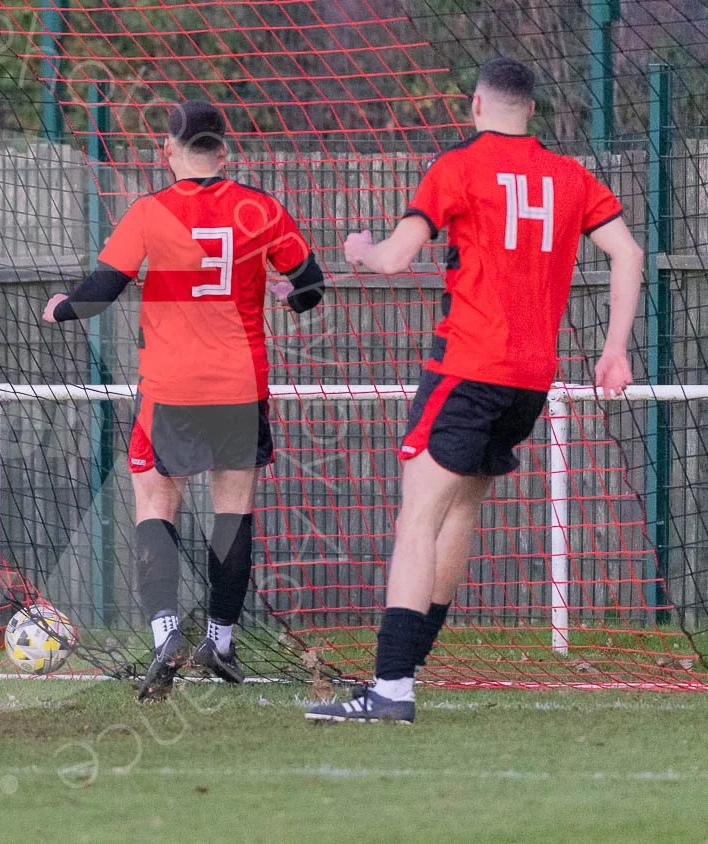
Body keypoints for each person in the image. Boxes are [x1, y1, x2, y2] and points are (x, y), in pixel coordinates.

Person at [306, 57, 640, 724]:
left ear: (477, 107)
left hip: (468, 367)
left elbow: (398, 257)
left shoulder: (460, 166)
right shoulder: (570, 177)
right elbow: (627, 253)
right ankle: (406, 669)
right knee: (458, 511)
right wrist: (614, 349)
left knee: (418, 518)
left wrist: (362, 248)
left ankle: (391, 688)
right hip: (528, 382)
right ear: (532, 111)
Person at [42, 101, 325, 700]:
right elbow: (311, 287)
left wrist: (60, 307)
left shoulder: (150, 212)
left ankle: (167, 633)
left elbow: (98, 295)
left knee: (154, 502)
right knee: (233, 513)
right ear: (224, 151)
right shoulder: (263, 210)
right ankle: (220, 641)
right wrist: (288, 296)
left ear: (166, 150)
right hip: (239, 386)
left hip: (171, 388)